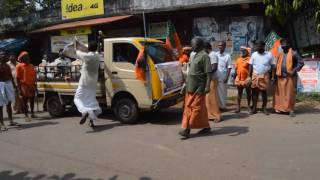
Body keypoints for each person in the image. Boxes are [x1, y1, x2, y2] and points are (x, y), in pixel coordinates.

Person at [179, 37, 212, 139]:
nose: (191, 46)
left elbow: (208, 73)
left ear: (198, 45)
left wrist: (207, 86)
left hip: (199, 88)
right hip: (190, 87)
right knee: (198, 109)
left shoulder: (205, 56)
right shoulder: (194, 55)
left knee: (195, 109)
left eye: (192, 44)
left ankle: (187, 129)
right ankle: (206, 126)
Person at [74, 41, 102, 128]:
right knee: (91, 101)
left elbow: (77, 52)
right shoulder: (98, 56)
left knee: (77, 99)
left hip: (84, 82)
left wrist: (76, 44)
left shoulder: (86, 56)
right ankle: (91, 122)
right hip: (93, 83)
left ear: (89, 49)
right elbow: (93, 49)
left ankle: (84, 111)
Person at [273, 38, 304, 117]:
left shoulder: (294, 53)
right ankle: (280, 108)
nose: (283, 47)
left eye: (285, 45)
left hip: (289, 77)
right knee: (280, 94)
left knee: (289, 94)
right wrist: (274, 77)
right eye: (282, 45)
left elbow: (301, 62)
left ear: (288, 45)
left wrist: (294, 70)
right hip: (280, 76)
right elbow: (276, 66)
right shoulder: (280, 54)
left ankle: (290, 110)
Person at [249, 41, 274, 115]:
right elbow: (250, 65)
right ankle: (254, 108)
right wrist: (249, 76)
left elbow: (273, 65)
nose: (257, 48)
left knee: (264, 92)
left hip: (265, 75)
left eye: (259, 46)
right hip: (255, 75)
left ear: (263, 46)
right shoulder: (254, 54)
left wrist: (270, 73)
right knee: (254, 92)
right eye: (256, 46)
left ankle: (264, 108)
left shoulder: (269, 54)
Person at [0, 51, 19, 131]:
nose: (3, 56)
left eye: (4, 55)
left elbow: (11, 76)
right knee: (0, 105)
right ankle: (1, 124)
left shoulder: (7, 65)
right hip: (1, 85)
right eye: (1, 55)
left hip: (8, 84)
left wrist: (14, 86)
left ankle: (11, 121)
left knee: (9, 103)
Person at [16, 51, 37, 121]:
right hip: (24, 85)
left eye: (28, 56)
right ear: (23, 58)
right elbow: (17, 78)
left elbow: (34, 76)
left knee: (32, 100)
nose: (28, 58)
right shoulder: (19, 66)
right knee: (25, 101)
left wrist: (35, 85)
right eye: (26, 57)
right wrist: (19, 89)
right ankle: (26, 115)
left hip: (32, 85)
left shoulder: (31, 66)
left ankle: (32, 113)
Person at [205, 42, 222, 123]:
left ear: (206, 48)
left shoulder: (212, 55)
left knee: (213, 98)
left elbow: (214, 67)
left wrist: (205, 73)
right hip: (209, 79)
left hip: (212, 79)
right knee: (208, 98)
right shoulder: (209, 55)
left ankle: (217, 115)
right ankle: (210, 115)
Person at [234, 46, 252, 113]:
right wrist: (234, 78)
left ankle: (249, 107)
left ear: (247, 52)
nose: (243, 52)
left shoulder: (249, 59)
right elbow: (236, 69)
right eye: (242, 51)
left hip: (246, 79)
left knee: (248, 93)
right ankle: (238, 107)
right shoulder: (238, 59)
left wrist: (249, 78)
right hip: (239, 79)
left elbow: (250, 69)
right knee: (239, 93)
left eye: (244, 51)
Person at [215, 41, 232, 110]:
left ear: (224, 46)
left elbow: (229, 67)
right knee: (216, 92)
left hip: (223, 76)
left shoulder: (227, 56)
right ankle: (217, 106)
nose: (220, 47)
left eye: (221, 45)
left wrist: (226, 77)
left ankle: (223, 106)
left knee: (223, 92)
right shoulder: (216, 55)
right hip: (216, 76)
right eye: (219, 45)